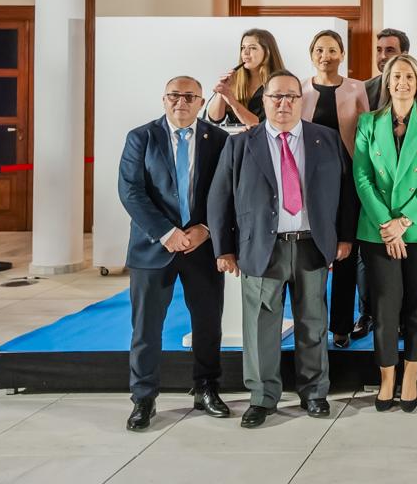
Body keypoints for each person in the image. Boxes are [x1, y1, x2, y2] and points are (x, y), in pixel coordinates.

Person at [207, 70, 355, 429]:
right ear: (265, 101)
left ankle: (314, 392)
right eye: (276, 97)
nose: (284, 103)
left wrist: (345, 237)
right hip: (261, 248)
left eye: (291, 96)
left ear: (301, 101)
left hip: (311, 245)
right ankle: (262, 398)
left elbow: (347, 192)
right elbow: (219, 197)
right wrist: (223, 248)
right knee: (260, 327)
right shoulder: (242, 143)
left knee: (313, 324)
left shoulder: (326, 138)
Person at [119, 76, 230, 431]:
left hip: (202, 246)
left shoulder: (219, 140)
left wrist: (206, 229)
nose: (180, 102)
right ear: (163, 99)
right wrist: (168, 234)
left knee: (208, 323)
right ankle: (144, 398)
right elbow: (131, 192)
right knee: (146, 328)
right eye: (173, 96)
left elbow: (225, 191)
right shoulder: (141, 137)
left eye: (189, 96)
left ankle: (206, 387)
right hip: (154, 248)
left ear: (201, 102)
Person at [353, 53, 417, 413]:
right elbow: (362, 177)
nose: (402, 83)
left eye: (409, 76)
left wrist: (404, 221)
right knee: (384, 308)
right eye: (396, 76)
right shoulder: (368, 122)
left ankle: (411, 374)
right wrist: (387, 226)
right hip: (378, 232)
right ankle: (387, 377)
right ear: (386, 82)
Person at [300, 29, 371, 347]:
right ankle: (311, 324)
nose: (325, 55)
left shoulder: (357, 88)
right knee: (312, 255)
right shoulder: (300, 88)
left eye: (331, 50)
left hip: (348, 178)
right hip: (309, 180)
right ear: (311, 53)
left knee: (346, 251)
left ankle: (341, 326)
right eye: (319, 49)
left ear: (342, 54)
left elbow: (368, 134)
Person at [206, 28, 285, 127]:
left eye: (252, 48)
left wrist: (232, 101)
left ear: (267, 52)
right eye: (243, 47)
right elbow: (215, 119)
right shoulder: (234, 80)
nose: (245, 52)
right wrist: (221, 91)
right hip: (235, 140)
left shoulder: (280, 84)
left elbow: (258, 125)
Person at [365, 28, 410, 111]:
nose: (383, 56)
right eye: (379, 50)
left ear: (405, 55)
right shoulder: (365, 88)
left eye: (389, 50)